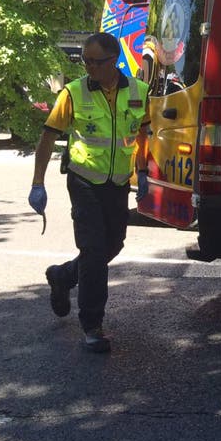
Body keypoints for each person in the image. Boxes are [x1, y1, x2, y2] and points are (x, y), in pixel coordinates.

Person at [28, 32, 151, 353]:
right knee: (95, 252)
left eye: (96, 61)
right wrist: (37, 182)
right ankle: (92, 326)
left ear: (115, 61)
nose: (90, 67)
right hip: (83, 182)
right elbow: (47, 137)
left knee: (114, 243)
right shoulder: (73, 93)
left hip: (117, 183)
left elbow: (144, 133)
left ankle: (64, 276)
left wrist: (144, 172)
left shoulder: (139, 91)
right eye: (86, 61)